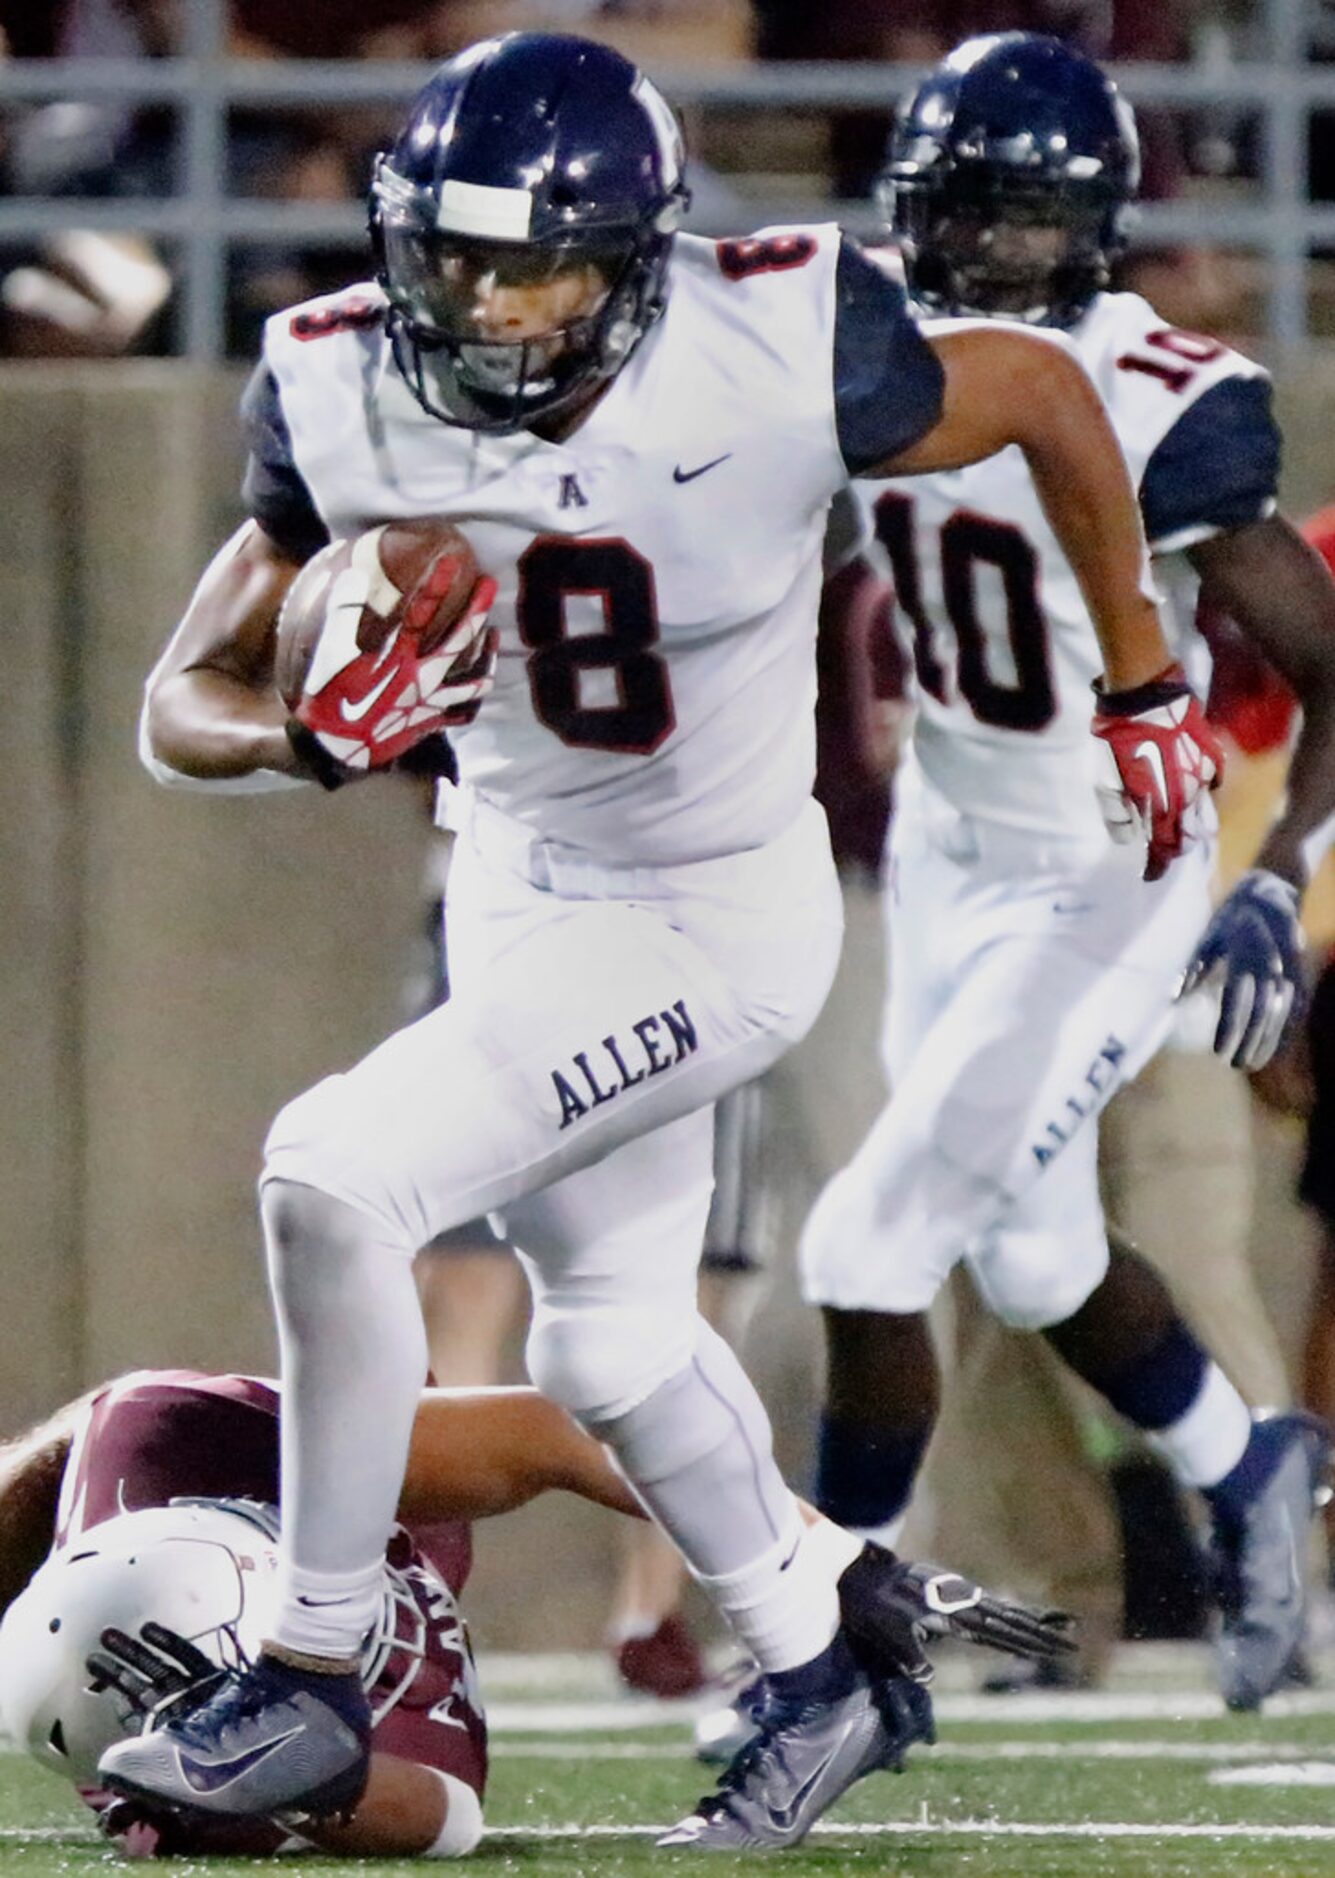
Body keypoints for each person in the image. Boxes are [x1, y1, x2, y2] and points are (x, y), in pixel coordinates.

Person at [122, 29, 1214, 1851]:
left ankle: (310, 1677)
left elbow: (1032, 386)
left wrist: (1142, 673)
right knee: (613, 1345)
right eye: (452, 256)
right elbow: (186, 691)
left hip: (716, 906)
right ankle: (823, 1662)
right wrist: (303, 737)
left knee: (331, 1174)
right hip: (517, 882)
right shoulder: (336, 379)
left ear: (641, 256)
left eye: (532, 259)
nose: (485, 300)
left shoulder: (773, 332)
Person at [796, 31, 1335, 1717]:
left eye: (1032, 226)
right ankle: (1252, 1472)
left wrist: (1281, 876)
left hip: (1113, 861)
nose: (994, 255)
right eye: (969, 218)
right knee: (1026, 1261)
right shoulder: (859, 340)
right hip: (954, 851)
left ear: (1096, 230)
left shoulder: (1167, 393)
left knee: (871, 1247)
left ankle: (827, 1650)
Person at [0, 1366, 1067, 1857]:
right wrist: (258, 1798)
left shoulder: (188, 1440)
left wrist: (822, 1559)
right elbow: (444, 1811)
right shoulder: (107, 1728)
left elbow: (558, 1432)